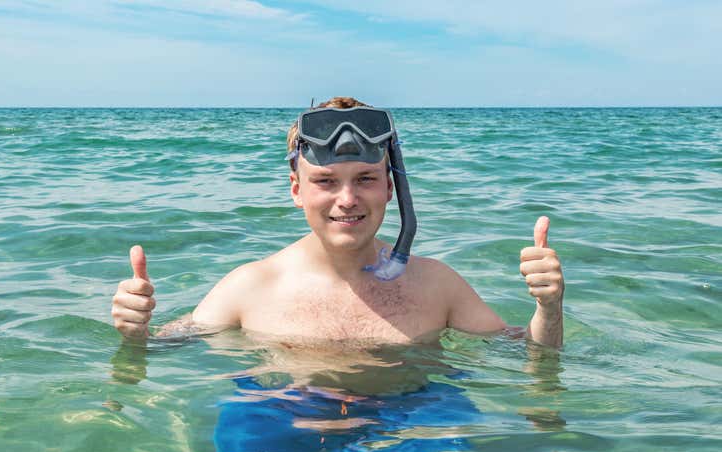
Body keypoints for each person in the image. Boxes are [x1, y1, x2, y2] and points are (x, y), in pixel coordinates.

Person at [111, 96, 564, 347]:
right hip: (281, 417)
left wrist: (548, 309)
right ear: (296, 190)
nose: (347, 199)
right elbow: (161, 349)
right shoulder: (249, 287)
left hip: (409, 412)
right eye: (326, 181)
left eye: (365, 178)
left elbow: (530, 355)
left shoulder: (437, 285)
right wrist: (135, 330)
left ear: (391, 187)